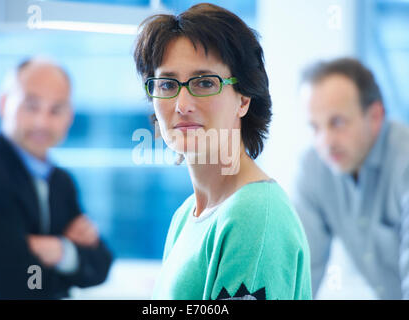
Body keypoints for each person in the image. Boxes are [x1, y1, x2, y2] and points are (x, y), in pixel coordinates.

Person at [133, 3, 312, 300]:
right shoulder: (185, 216)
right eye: (167, 84)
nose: (182, 104)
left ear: (243, 99)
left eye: (204, 83)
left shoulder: (254, 214)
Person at [0, 58, 113, 299]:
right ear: (3, 104)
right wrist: (69, 261)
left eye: (56, 110)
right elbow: (17, 284)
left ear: (70, 116)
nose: (42, 122)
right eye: (31, 106)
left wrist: (60, 250)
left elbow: (101, 265)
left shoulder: (61, 181)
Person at [293, 57, 409, 299]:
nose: (325, 142)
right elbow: (301, 273)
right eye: (315, 127)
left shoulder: (405, 163)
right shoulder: (313, 168)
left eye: (337, 122)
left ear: (375, 116)